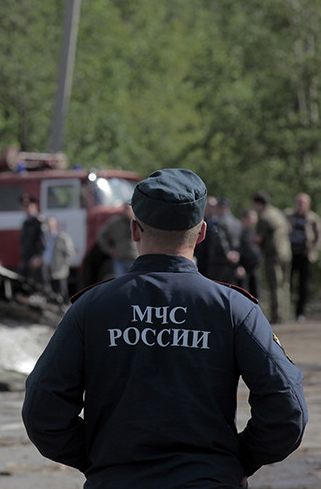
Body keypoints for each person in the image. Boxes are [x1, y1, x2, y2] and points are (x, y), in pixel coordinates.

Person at [22, 169, 307, 488]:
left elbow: (42, 412)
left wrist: (99, 460)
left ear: (133, 230)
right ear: (201, 232)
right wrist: (237, 461)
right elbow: (286, 409)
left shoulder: (91, 308)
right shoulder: (233, 308)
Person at [253, 190, 292, 324]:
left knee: (275, 285)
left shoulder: (264, 217)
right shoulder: (278, 213)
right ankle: (287, 314)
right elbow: (289, 229)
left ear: (258, 204)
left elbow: (258, 238)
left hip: (273, 254)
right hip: (286, 252)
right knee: (285, 284)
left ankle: (277, 316)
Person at [286, 192, 321, 322]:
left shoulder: (313, 218)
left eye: (303, 202)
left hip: (305, 256)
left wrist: (311, 250)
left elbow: (318, 237)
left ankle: (300, 313)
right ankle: (286, 311)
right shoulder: (288, 215)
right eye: (299, 202)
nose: (300, 204)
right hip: (290, 255)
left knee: (303, 285)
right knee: (286, 283)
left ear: (308, 204)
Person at [205, 197, 242, 284]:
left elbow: (220, 240)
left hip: (219, 261)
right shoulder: (237, 223)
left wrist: (227, 253)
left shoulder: (218, 222)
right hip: (234, 261)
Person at [96, 204, 138, 278]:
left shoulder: (138, 222)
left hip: (134, 259)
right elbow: (101, 235)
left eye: (129, 209)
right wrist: (109, 250)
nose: (127, 211)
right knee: (120, 283)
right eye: (126, 209)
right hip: (120, 259)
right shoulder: (115, 222)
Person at [18, 194, 48, 287]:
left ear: (34, 206)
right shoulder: (26, 223)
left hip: (36, 259)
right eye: (24, 206)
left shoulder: (39, 222)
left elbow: (43, 241)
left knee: (41, 283)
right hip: (27, 258)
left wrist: (38, 256)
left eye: (28, 206)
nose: (26, 209)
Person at [44, 216, 75, 302]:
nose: (48, 227)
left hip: (60, 271)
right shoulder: (46, 238)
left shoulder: (62, 238)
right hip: (49, 269)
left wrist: (64, 265)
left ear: (55, 225)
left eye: (50, 225)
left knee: (62, 293)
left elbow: (70, 253)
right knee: (53, 294)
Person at [237, 208, 263, 297]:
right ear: (245, 218)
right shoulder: (239, 232)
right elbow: (237, 249)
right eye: (252, 217)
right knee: (243, 293)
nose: (255, 219)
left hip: (254, 267)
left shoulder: (254, 231)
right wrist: (238, 266)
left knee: (255, 293)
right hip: (243, 268)